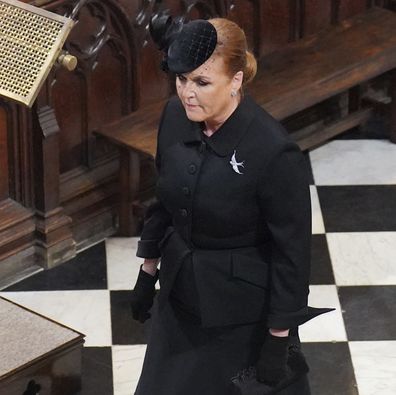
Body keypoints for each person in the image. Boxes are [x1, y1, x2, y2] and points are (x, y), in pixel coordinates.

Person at [130, 15, 332, 395]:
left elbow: (292, 252)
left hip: (241, 319)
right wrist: (148, 271)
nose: (188, 92)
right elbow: (167, 197)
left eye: (202, 82)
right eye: (181, 79)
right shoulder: (175, 117)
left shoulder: (273, 150)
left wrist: (278, 337)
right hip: (180, 303)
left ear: (236, 79)